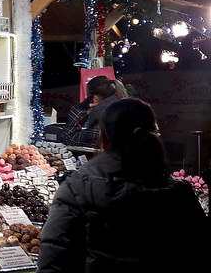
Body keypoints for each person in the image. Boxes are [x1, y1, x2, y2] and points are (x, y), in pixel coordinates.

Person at [37, 98, 208, 273]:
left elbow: (53, 262)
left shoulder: (77, 188)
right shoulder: (180, 194)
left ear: (103, 138)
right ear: (155, 135)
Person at [64, 76, 126, 147]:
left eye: (88, 97)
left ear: (95, 99)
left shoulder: (103, 126)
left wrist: (81, 107)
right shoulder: (120, 111)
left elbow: (68, 138)